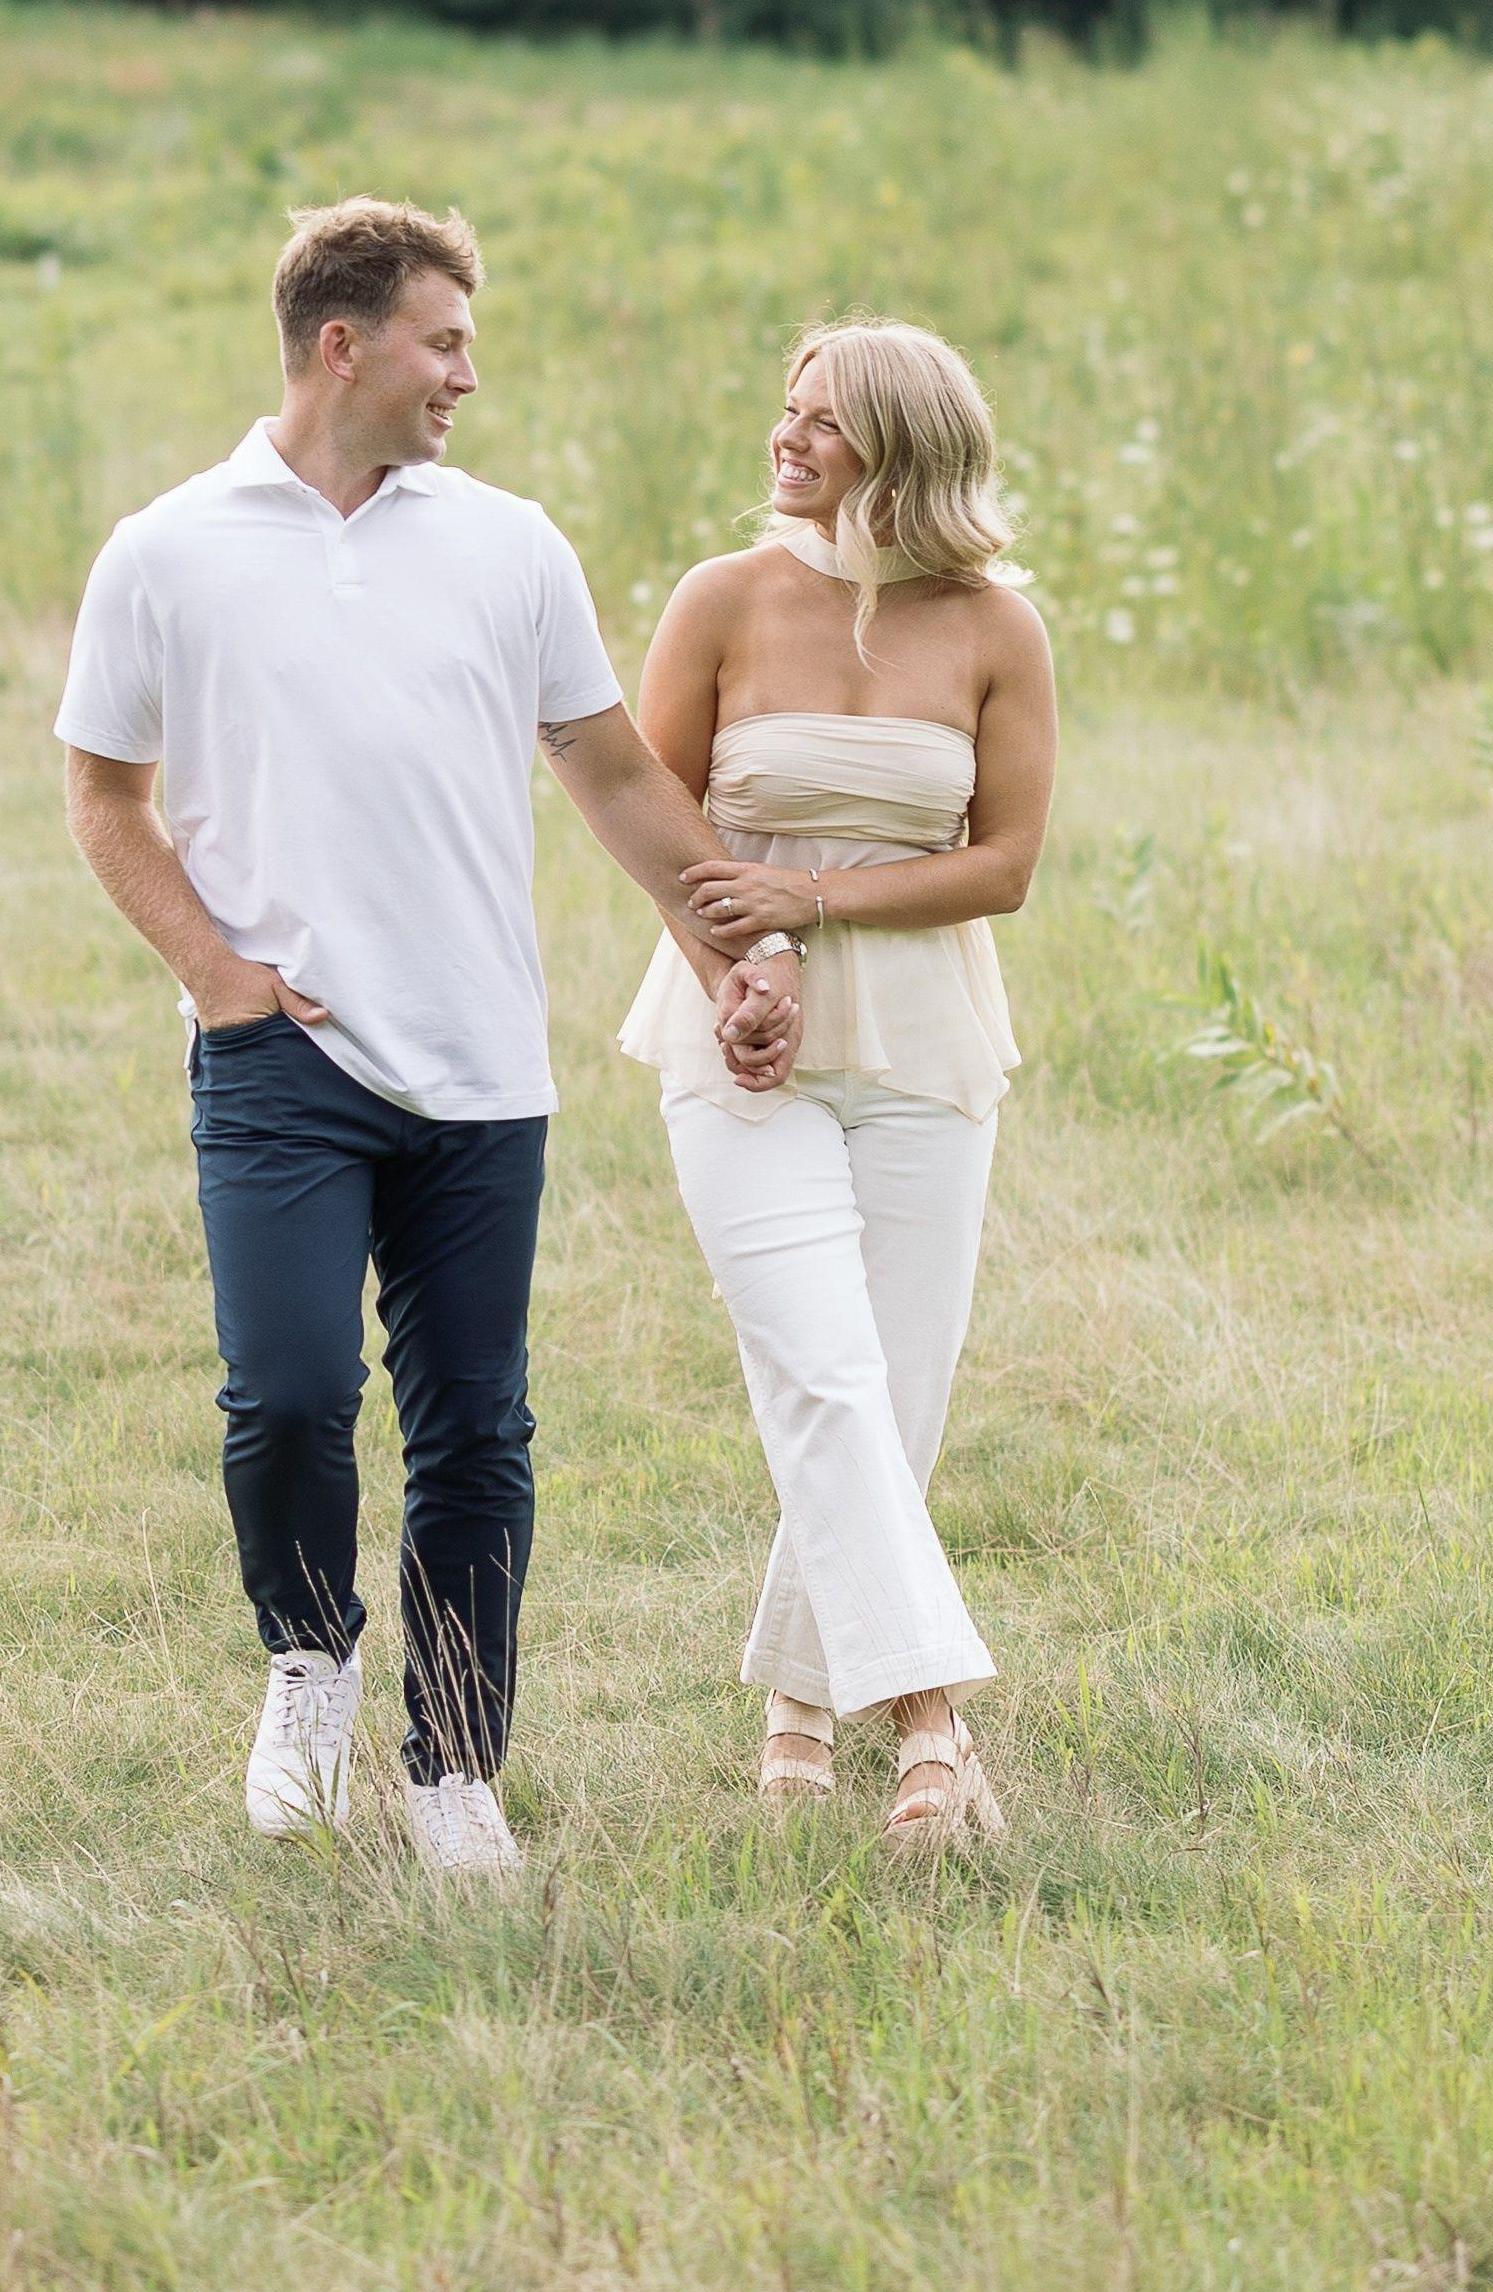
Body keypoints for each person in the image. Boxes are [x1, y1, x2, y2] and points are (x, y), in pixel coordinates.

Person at [57, 197, 799, 1878]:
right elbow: (103, 795)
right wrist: (217, 976)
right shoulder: (165, 551)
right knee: (290, 1393)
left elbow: (612, 772)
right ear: (344, 345)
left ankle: (455, 1766)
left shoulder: (509, 546)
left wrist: (733, 949)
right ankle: (307, 1672)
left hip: (479, 1061)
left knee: (474, 1428)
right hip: (281, 1055)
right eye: (443, 341)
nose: (467, 374)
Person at [620, 316, 1057, 1853]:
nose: (784, 437)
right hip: (737, 1033)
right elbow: (650, 814)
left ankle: (801, 1705)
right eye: (785, 409)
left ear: (903, 449)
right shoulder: (722, 599)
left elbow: (1004, 864)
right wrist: (742, 962)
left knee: (895, 1386)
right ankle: (930, 1718)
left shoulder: (997, 628)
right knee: (816, 1362)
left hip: (925, 1038)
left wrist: (813, 901)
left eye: (821, 419)